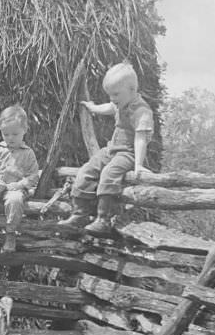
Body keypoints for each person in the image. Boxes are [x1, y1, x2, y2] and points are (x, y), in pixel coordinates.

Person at [57, 62, 153, 235]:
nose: (112, 98)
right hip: (112, 149)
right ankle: (79, 213)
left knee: (109, 174)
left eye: (115, 94)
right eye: (110, 94)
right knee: (87, 169)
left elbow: (140, 139)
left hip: (128, 153)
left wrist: (138, 165)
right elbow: (110, 107)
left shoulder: (141, 110)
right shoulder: (120, 103)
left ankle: (104, 219)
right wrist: (93, 108)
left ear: (132, 90)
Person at [0, 105, 39, 252]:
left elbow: (33, 175)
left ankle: (10, 233)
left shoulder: (28, 154)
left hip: (15, 189)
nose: (10, 138)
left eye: (15, 134)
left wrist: (20, 184)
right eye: (6, 134)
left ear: (25, 130)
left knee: (15, 201)